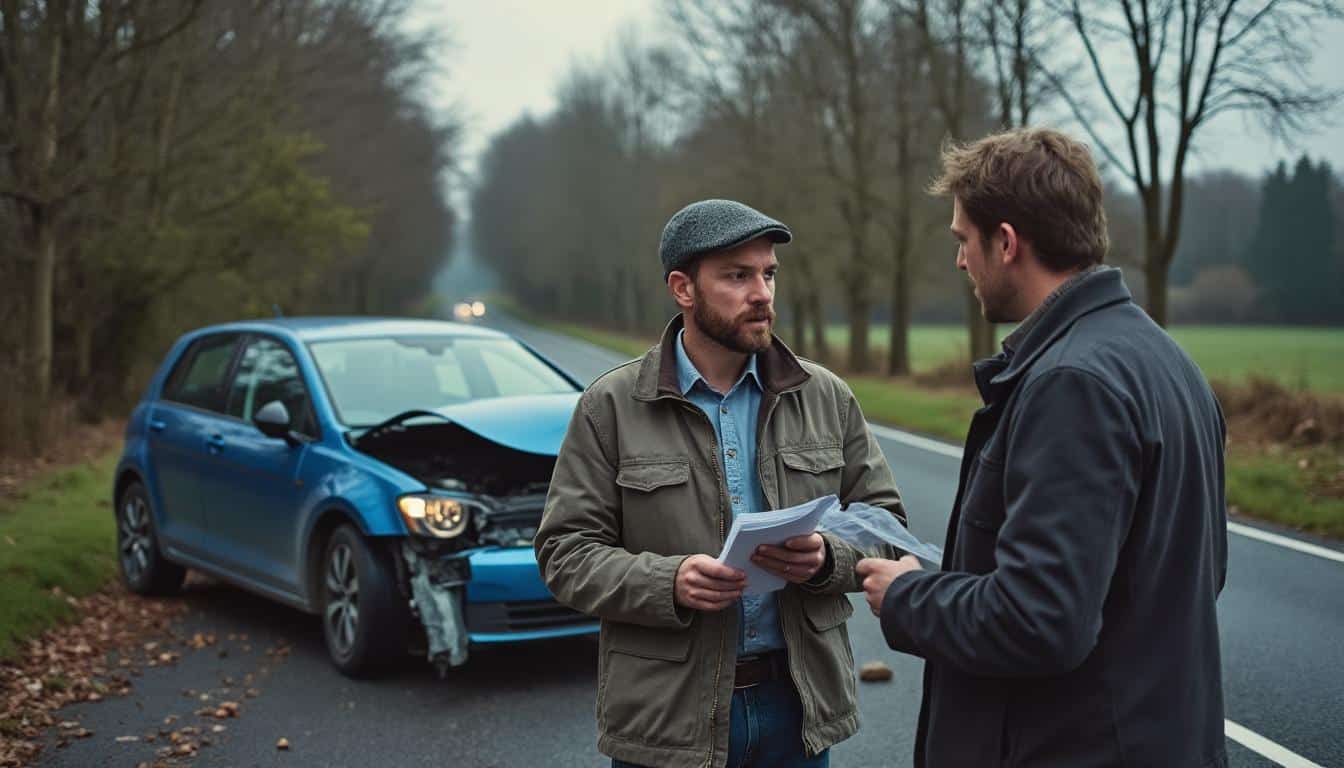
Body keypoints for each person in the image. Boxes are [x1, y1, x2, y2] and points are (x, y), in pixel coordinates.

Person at [856, 127, 1229, 767]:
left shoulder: (1070, 384)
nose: (959, 261)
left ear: (1006, 243)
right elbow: (1197, 575)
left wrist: (908, 595)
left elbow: (1040, 620)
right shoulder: (1167, 360)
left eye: (962, 241)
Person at [536, 199, 906, 768]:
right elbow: (565, 554)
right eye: (737, 276)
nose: (762, 293)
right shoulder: (609, 406)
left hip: (798, 709)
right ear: (683, 289)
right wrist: (670, 581)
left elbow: (886, 525)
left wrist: (828, 558)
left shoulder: (826, 396)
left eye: (768, 274)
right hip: (666, 718)